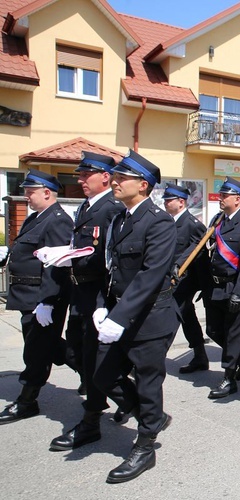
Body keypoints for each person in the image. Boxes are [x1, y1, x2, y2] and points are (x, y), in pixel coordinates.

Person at [91, 150, 179, 483]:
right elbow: (110, 269)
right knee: (101, 375)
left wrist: (119, 314)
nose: (114, 181)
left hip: (149, 319)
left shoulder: (158, 221)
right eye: (114, 176)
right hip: (119, 314)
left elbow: (150, 274)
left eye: (121, 177)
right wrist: (103, 304)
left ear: (142, 185)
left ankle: (145, 446)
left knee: (147, 382)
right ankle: (151, 416)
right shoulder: (118, 219)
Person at [48, 153, 125, 451]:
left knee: (97, 358)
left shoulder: (112, 209)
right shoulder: (85, 207)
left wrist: (106, 302)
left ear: (105, 176)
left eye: (86, 175)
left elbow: (113, 260)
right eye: (79, 175)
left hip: (99, 296)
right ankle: (126, 401)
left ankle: (92, 420)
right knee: (81, 351)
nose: (79, 180)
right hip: (80, 292)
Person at [0, 170, 73, 425]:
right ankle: (94, 374)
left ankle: (26, 401)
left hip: (40, 297)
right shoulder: (35, 218)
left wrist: (48, 302)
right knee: (49, 345)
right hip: (26, 295)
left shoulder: (58, 220)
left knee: (36, 352)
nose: (26, 196)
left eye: (30, 191)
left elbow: (56, 265)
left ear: (46, 193)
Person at [203, 177, 240, 398]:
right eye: (221, 194)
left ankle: (228, 378)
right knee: (213, 330)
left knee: (233, 335)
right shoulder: (218, 220)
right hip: (215, 286)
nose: (220, 198)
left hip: (235, 288)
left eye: (225, 195)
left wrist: (239, 293)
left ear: (237, 199)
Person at [162, 184, 211, 375]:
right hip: (169, 280)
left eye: (169, 200)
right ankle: (200, 356)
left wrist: (201, 287)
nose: (165, 203)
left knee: (169, 318)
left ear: (181, 202)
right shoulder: (167, 222)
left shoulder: (193, 224)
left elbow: (199, 254)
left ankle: (152, 359)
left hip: (184, 282)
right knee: (188, 317)